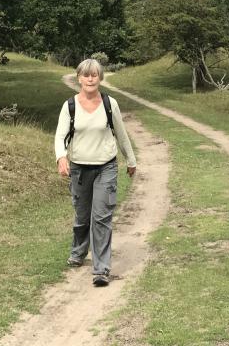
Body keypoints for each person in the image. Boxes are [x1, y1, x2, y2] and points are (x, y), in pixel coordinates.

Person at [55, 59, 136, 287]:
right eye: (86, 75)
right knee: (82, 216)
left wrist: (131, 160)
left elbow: (121, 134)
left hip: (106, 167)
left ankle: (101, 269)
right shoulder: (69, 106)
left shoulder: (110, 104)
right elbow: (60, 136)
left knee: (101, 217)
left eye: (95, 75)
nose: (90, 79)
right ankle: (79, 252)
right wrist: (61, 157)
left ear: (100, 78)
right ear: (79, 78)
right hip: (79, 168)